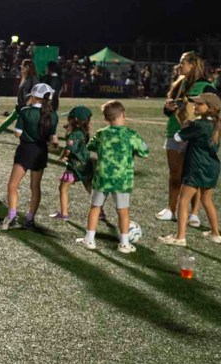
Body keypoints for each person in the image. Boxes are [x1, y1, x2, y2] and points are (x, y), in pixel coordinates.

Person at [76, 100, 149, 253]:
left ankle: (89, 239)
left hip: (102, 178)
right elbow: (144, 151)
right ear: (123, 115)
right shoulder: (130, 135)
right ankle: (124, 243)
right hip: (122, 179)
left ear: (106, 119)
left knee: (95, 207)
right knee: (123, 210)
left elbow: (90, 146)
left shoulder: (101, 133)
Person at [157, 52, 214, 226]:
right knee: (175, 173)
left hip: (194, 135)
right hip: (174, 130)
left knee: (192, 175)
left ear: (193, 65)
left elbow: (214, 109)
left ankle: (194, 213)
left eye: (183, 63)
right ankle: (171, 209)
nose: (180, 65)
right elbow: (168, 111)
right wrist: (168, 107)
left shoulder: (206, 86)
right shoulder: (178, 83)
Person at [158, 92, 221, 246]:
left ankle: (180, 237)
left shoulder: (199, 125)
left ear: (211, 108)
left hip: (195, 167)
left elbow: (178, 137)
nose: (194, 106)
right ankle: (215, 234)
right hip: (211, 167)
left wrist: (184, 122)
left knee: (183, 200)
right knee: (207, 200)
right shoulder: (215, 124)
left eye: (199, 104)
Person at [0, 83, 57, 231]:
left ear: (33, 96)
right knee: (35, 187)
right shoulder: (53, 115)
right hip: (41, 152)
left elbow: (17, 133)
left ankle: (11, 217)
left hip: (25, 150)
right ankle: (30, 219)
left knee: (13, 185)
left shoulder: (25, 112)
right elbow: (53, 139)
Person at [50, 105, 93, 221]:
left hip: (75, 166)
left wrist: (62, 157)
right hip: (86, 165)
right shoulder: (83, 131)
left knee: (63, 188)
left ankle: (64, 214)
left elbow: (69, 149)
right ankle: (100, 212)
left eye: (69, 118)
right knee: (90, 189)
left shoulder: (74, 134)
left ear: (74, 120)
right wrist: (69, 130)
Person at [0, 59, 36, 142]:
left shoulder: (33, 78)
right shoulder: (25, 77)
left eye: (23, 66)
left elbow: (34, 93)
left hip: (26, 107)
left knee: (28, 126)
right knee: (7, 121)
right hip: (20, 105)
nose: (21, 67)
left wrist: (27, 105)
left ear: (27, 67)